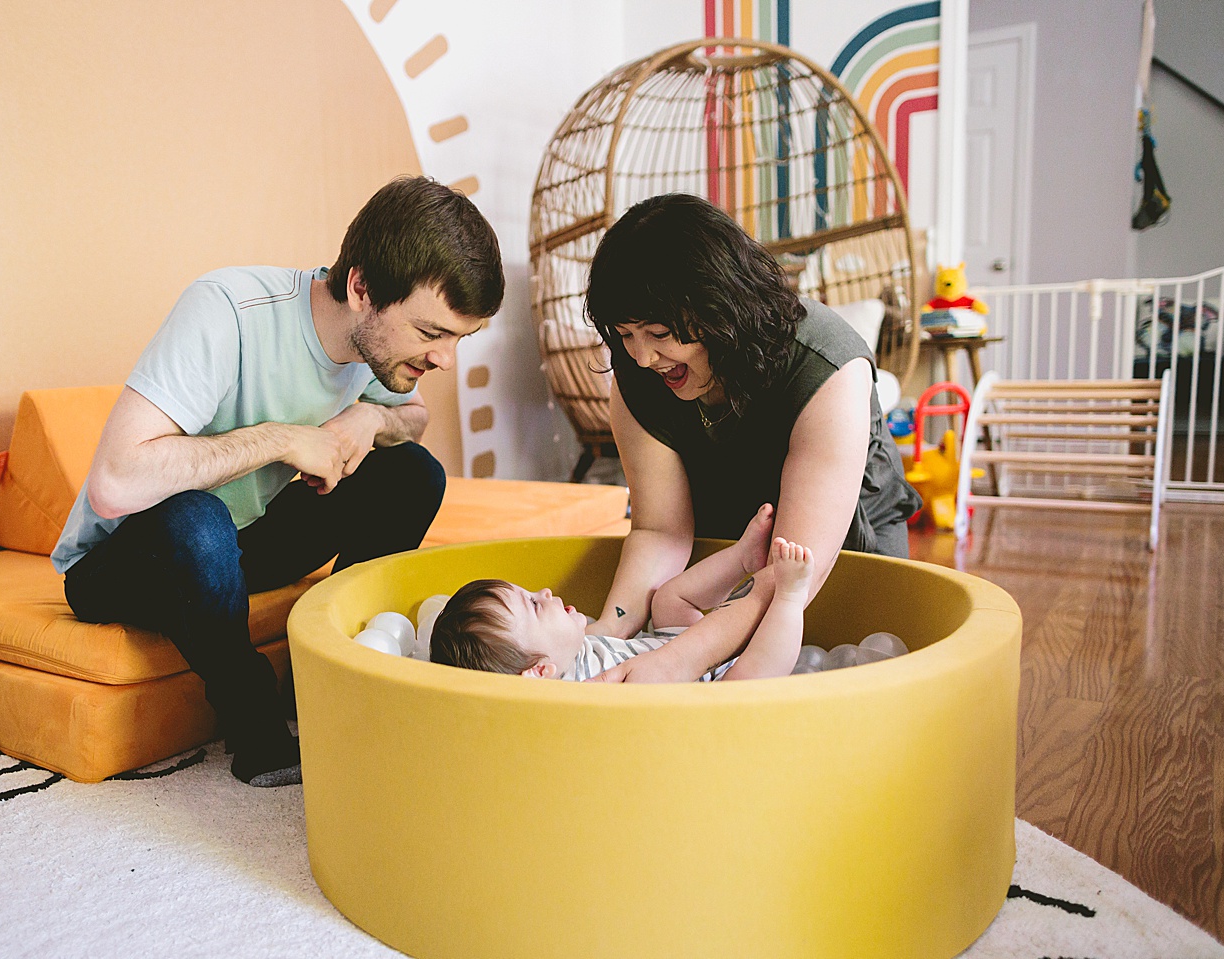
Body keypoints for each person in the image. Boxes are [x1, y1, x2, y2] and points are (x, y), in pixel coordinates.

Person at [51, 176, 504, 786]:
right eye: (431, 334)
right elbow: (116, 482)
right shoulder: (227, 309)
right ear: (362, 288)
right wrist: (284, 438)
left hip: (242, 547)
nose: (446, 360)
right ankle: (253, 717)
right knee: (197, 521)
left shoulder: (373, 349)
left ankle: (324, 680)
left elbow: (414, 419)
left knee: (412, 475)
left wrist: (366, 419)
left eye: (459, 338)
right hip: (129, 558)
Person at [580, 193, 920, 683]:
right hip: (725, 556)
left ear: (721, 309)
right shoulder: (639, 374)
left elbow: (793, 572)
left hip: (831, 557)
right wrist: (607, 638)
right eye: (625, 335)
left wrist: (678, 659)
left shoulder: (825, 365)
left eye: (657, 332)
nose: (641, 357)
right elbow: (660, 530)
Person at [430, 504, 816, 682]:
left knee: (667, 600)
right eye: (533, 604)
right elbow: (691, 656)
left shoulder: (567, 654)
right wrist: (772, 595)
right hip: (710, 678)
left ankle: (741, 558)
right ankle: (789, 599)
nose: (546, 591)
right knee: (751, 679)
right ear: (539, 670)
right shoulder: (601, 694)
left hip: (664, 643)